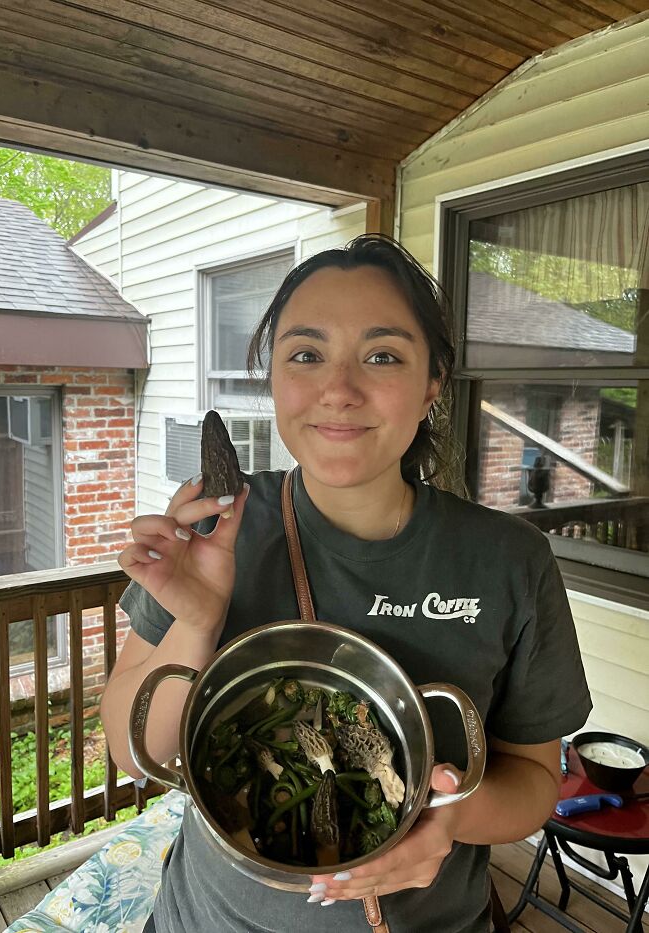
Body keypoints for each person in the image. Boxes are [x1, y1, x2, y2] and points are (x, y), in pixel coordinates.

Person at [101, 234, 592, 933]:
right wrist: (198, 619)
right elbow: (131, 748)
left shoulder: (510, 561)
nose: (338, 388)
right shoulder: (219, 525)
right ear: (271, 377)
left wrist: (449, 822)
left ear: (432, 384)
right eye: (306, 354)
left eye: (382, 355)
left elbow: (536, 781)